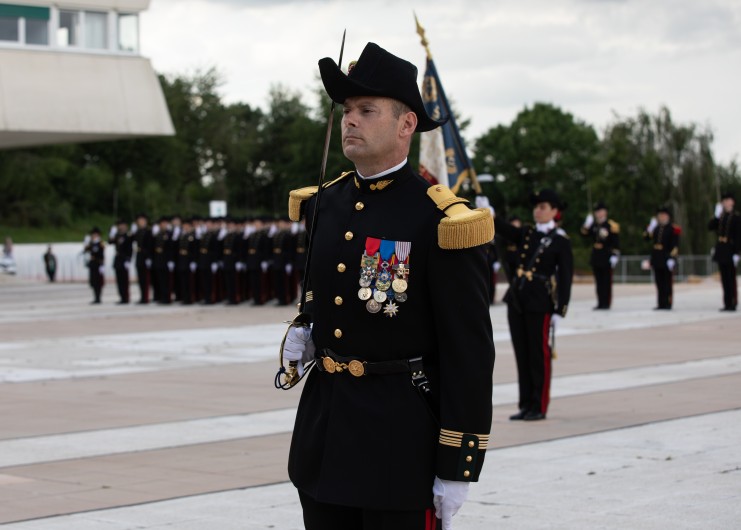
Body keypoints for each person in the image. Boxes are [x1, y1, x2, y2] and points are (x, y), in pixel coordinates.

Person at [281, 42, 495, 530]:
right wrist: (307, 331)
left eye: (366, 109)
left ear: (406, 125)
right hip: (324, 435)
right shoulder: (325, 204)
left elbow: (469, 352)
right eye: (348, 110)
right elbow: (323, 297)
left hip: (399, 445)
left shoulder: (439, 219)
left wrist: (457, 464)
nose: (350, 120)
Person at [494, 189, 573, 422]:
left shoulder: (560, 241)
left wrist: (561, 309)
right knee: (522, 354)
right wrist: (489, 214)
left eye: (543, 207)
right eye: (536, 206)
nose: (538, 210)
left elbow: (565, 277)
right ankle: (525, 404)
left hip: (540, 301)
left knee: (538, 355)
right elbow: (507, 231)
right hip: (518, 299)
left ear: (555, 211)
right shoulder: (527, 233)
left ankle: (539, 405)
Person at [580, 202, 620, 309]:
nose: (599, 213)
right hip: (596, 256)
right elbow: (584, 234)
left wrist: (615, 255)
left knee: (606, 281)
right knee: (598, 282)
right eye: (597, 212)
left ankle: (606, 303)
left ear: (605, 212)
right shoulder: (594, 224)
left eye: (600, 211)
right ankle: (600, 302)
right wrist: (586, 225)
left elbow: (616, 242)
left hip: (607, 256)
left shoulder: (611, 225)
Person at [708, 192, 741, 311]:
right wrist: (716, 215)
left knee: (731, 277)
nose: (725, 203)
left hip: (731, 249)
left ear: (732, 202)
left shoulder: (736, 217)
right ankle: (727, 303)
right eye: (724, 201)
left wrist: (737, 253)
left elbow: (738, 236)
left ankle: (733, 302)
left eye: (728, 200)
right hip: (721, 249)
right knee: (724, 278)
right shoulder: (720, 217)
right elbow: (710, 227)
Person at [644, 206, 680, 310]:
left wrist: (672, 258)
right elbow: (646, 238)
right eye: (660, 215)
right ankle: (661, 303)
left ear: (668, 216)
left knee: (667, 282)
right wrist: (649, 228)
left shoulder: (673, 229)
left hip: (666, 258)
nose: (661, 217)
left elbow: (675, 245)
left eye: (663, 215)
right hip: (656, 258)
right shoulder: (655, 228)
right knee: (659, 282)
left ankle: (668, 303)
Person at [109, 219, 133, 304]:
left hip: (124, 259)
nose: (121, 227)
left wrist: (128, 260)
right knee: (119, 280)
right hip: (118, 259)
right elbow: (110, 242)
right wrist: (111, 233)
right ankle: (121, 297)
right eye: (119, 225)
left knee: (124, 280)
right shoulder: (117, 235)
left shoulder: (128, 235)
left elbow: (130, 249)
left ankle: (126, 297)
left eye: (122, 225)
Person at [132, 213, 153, 304]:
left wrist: (149, 257)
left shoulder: (148, 231)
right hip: (139, 256)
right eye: (139, 221)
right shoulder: (137, 231)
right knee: (140, 278)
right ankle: (142, 297)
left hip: (145, 256)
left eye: (142, 220)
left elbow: (150, 245)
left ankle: (146, 297)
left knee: (146, 279)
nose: (141, 222)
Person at [83, 227, 105, 304]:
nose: (93, 236)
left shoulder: (100, 243)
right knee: (93, 281)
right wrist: (86, 244)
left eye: (95, 234)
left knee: (98, 282)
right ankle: (95, 297)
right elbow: (85, 251)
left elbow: (101, 255)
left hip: (98, 264)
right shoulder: (91, 243)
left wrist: (102, 265)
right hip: (92, 264)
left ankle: (98, 298)